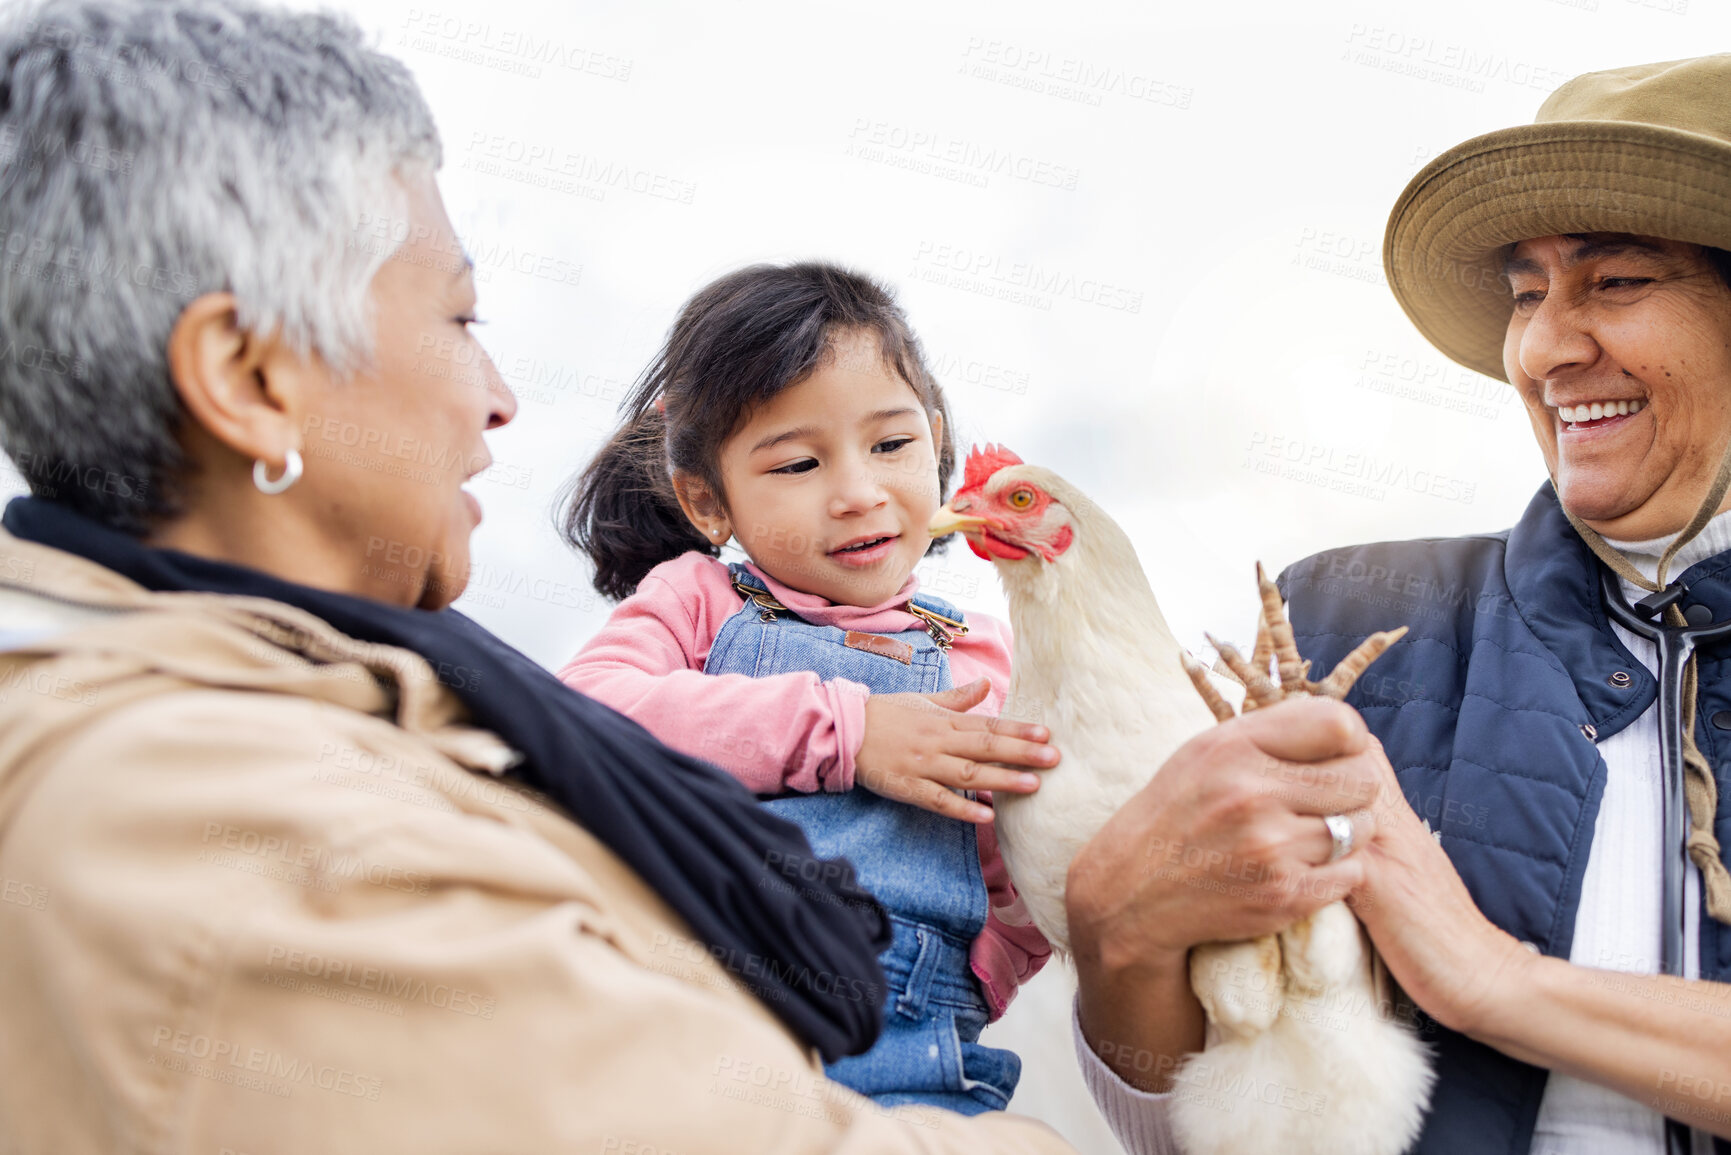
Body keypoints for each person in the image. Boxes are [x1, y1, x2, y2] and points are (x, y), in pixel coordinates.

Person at [0, 1, 1087, 1149]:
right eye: (460, 315)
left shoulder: (281, 725)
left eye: (891, 441)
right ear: (249, 377)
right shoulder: (231, 824)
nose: (502, 396)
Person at [1061, 53, 1731, 1155]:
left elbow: (1474, 976)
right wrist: (1118, 944)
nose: (1546, 348)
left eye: (1615, 283)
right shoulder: (1338, 624)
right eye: (1528, 293)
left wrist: (1494, 980)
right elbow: (1193, 1125)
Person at [557, 262, 1059, 1115]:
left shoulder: (989, 655)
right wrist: (847, 732)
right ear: (707, 502)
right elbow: (587, 717)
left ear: (935, 443)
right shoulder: (699, 601)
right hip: (693, 1005)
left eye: (892, 445)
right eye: (796, 463)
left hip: (907, 1032)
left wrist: (992, 961)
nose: (858, 493)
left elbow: (1036, 865)